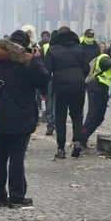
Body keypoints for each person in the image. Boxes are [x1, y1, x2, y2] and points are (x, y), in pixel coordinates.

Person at [0, 31, 49, 207]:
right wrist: (36, 58)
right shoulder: (27, 61)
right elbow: (44, 79)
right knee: (16, 156)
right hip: (21, 114)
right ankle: (16, 195)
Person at [44, 26, 89, 159]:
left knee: (60, 116)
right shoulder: (79, 49)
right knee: (77, 115)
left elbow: (47, 71)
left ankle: (61, 148)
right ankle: (76, 142)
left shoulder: (52, 50)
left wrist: (44, 90)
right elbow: (86, 68)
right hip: (78, 85)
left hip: (61, 86)